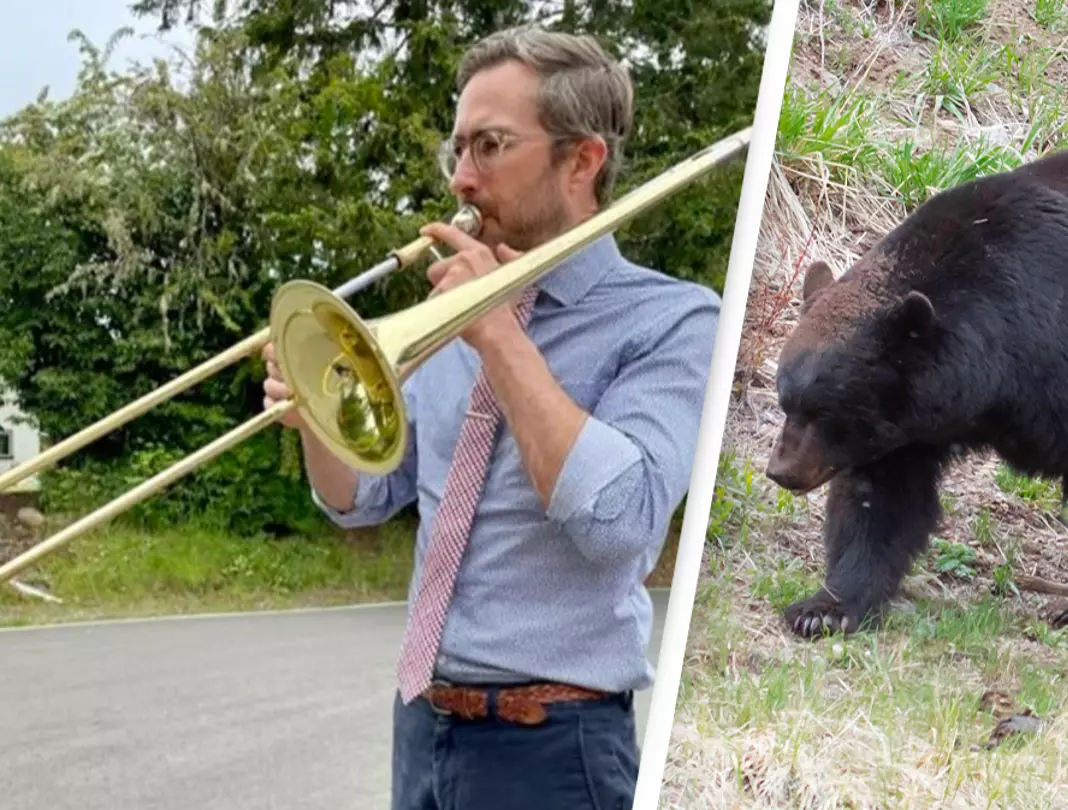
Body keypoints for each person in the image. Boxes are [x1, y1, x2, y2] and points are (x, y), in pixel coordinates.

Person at [261, 25, 722, 810]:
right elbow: (362, 501)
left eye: (491, 147)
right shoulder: (443, 321)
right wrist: (317, 417)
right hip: (423, 727)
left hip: (554, 744)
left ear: (582, 160)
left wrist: (499, 332)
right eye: (459, 151)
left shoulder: (675, 320)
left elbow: (621, 523)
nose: (463, 180)